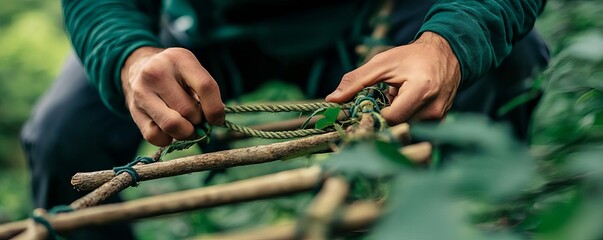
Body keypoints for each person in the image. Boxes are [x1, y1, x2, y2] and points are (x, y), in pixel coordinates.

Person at [21, 0, 549, 239]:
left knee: (509, 59)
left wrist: (448, 44)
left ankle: (475, 221)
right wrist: (129, 58)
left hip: (372, 14)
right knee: (63, 133)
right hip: (201, 25)